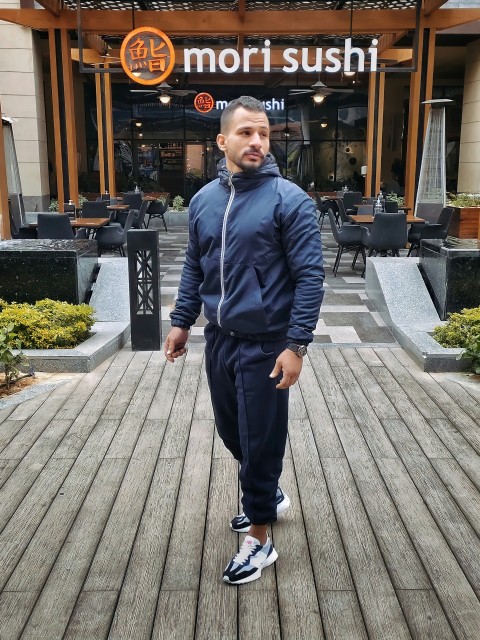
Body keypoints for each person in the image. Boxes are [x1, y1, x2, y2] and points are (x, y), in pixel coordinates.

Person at [164, 96, 324, 585]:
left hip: (268, 344)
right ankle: (269, 492)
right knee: (233, 433)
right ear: (222, 140)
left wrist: (296, 345)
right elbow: (197, 264)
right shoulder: (204, 201)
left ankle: (260, 537)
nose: (257, 142)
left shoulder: (289, 200)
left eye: (264, 134)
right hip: (220, 339)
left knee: (261, 440)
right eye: (246, 133)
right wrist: (181, 319)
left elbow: (311, 277)